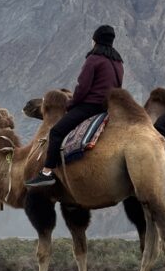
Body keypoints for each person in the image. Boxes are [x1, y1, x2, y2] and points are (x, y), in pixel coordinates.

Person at [25, 25, 124, 189]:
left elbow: (82, 87)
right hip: (109, 108)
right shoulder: (118, 62)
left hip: (91, 107)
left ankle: (47, 172)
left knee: (56, 132)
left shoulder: (93, 59)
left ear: (95, 41)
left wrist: (71, 104)